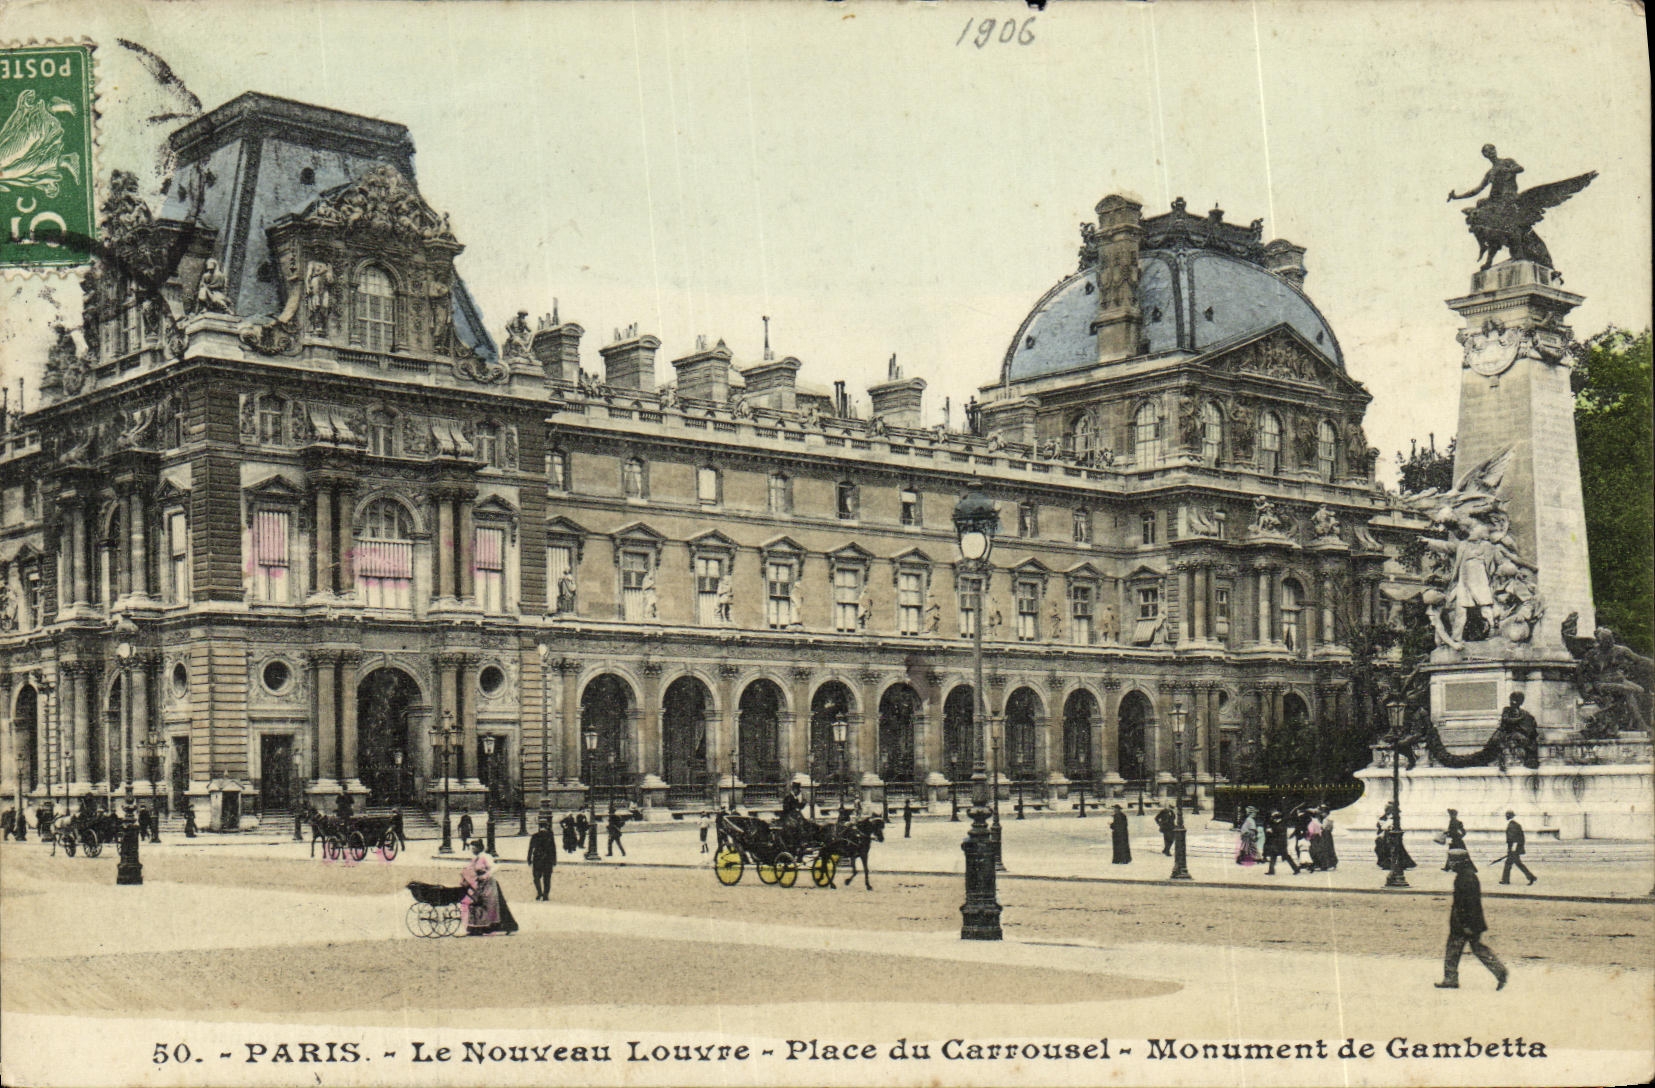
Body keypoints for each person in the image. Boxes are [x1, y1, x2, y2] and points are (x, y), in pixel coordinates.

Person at [1436, 847, 1508, 990]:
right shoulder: (1468, 875)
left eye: (1451, 861)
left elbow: (1468, 904)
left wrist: (1465, 924)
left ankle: (1451, 979)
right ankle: (1500, 971)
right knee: (1477, 948)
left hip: (1464, 923)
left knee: (1453, 950)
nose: (1449, 864)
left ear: (1457, 862)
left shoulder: (1465, 878)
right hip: (1470, 922)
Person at [459, 840, 518, 936]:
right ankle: (477, 928)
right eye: (471, 848)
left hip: (488, 884)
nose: (472, 850)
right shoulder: (475, 858)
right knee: (478, 903)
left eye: (473, 848)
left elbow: (494, 867)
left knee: (489, 905)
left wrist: (485, 876)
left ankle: (492, 926)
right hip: (480, 883)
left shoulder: (485, 857)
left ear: (478, 848)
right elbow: (470, 868)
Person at [1500, 810, 1536, 886]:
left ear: (1509, 816)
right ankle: (1506, 880)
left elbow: (1514, 838)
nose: (1505, 816)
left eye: (1506, 815)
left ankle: (1531, 877)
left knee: (1511, 864)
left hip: (1514, 849)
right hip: (1515, 849)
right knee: (1515, 864)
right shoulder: (1515, 824)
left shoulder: (1512, 825)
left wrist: (1512, 849)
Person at [526, 818, 559, 900]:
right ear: (547, 826)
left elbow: (530, 848)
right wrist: (554, 860)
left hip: (537, 860)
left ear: (539, 826)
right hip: (548, 860)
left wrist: (529, 859)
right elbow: (553, 849)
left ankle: (539, 892)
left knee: (536, 878)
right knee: (547, 878)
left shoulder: (535, 836)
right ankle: (545, 895)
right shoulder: (550, 836)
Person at [1264, 810, 1300, 875]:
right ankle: (1271, 870)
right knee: (1274, 856)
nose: (1272, 819)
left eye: (1274, 817)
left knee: (1285, 856)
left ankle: (1296, 869)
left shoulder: (1281, 824)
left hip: (1281, 843)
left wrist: (1271, 832)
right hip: (1278, 843)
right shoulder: (1279, 823)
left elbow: (1278, 832)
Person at [1309, 806, 1338, 871]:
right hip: (1325, 835)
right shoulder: (1324, 819)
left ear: (1326, 813)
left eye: (1323, 812)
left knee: (1326, 849)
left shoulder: (1327, 819)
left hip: (1326, 835)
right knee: (1324, 849)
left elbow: (1324, 827)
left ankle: (1328, 864)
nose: (1322, 814)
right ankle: (1325, 864)